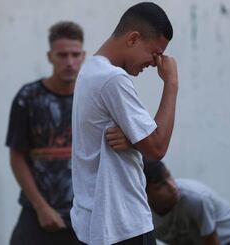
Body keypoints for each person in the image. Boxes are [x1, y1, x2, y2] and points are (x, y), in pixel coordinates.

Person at [71, 2, 179, 245]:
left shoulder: (89, 70)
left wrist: (133, 139)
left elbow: (141, 142)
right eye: (154, 53)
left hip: (93, 222)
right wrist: (171, 83)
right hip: (122, 224)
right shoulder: (113, 79)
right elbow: (157, 147)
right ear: (133, 38)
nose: (155, 64)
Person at [5, 21, 86, 245]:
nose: (69, 62)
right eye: (62, 55)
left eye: (75, 54)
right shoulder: (28, 97)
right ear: (50, 56)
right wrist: (41, 207)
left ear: (84, 56)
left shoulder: (93, 97)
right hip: (38, 215)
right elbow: (17, 157)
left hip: (85, 217)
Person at [144, 160, 230, 245]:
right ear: (145, 194)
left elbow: (211, 241)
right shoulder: (142, 214)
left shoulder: (195, 198)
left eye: (169, 176)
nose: (172, 186)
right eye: (160, 186)